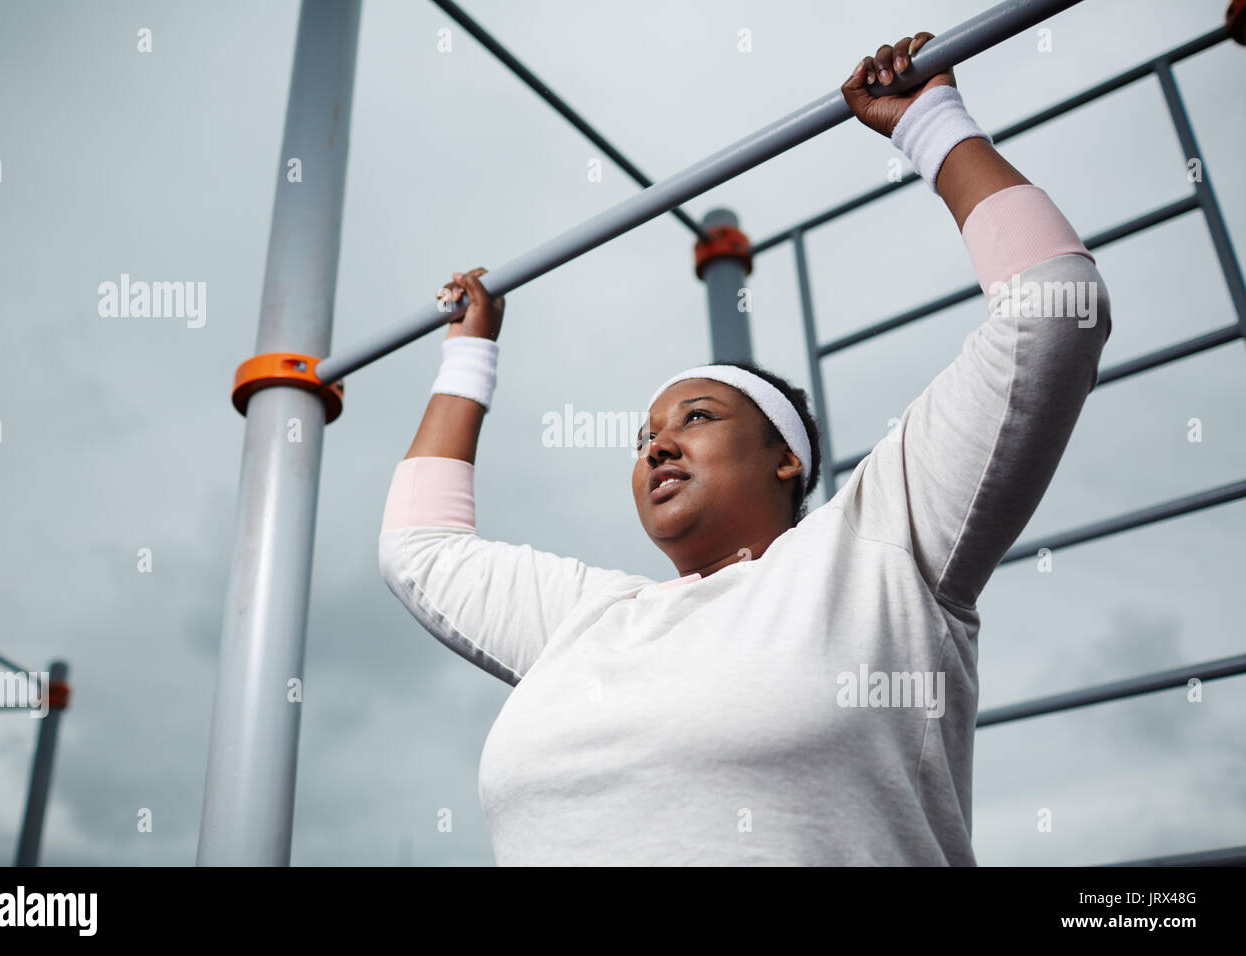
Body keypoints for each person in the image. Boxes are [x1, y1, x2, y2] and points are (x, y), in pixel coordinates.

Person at [378, 32, 1112, 865]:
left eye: (694, 419)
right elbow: (420, 551)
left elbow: (1052, 310)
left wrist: (931, 125)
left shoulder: (879, 548)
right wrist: (469, 355)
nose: (657, 448)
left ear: (785, 459)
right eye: (644, 438)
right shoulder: (587, 619)